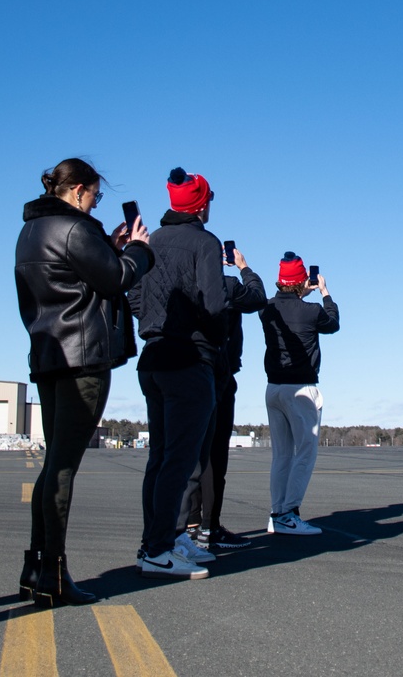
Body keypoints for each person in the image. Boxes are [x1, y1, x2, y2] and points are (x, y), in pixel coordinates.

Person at [15, 158, 153, 608]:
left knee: (52, 464)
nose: (96, 202)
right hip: (82, 360)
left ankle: (36, 567)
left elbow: (74, 278)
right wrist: (137, 250)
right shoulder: (76, 229)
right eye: (95, 194)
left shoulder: (32, 230)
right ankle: (53, 572)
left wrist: (107, 246)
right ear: (77, 191)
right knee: (63, 469)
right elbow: (116, 279)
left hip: (48, 355)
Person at [129, 168, 227, 579]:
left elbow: (134, 294)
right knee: (180, 461)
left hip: (152, 357)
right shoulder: (205, 242)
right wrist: (212, 337)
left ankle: (163, 538)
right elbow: (216, 302)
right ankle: (158, 548)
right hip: (189, 359)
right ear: (201, 204)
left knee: (160, 458)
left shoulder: (151, 241)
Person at [183, 245, 266, 551]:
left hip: (188, 369)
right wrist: (244, 266)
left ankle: (190, 524)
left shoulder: (182, 284)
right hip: (218, 373)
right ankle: (209, 526)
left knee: (190, 453)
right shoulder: (226, 286)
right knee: (214, 456)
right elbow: (257, 295)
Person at [260, 252, 339, 536]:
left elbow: (286, 305)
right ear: (302, 280)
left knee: (281, 455)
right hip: (302, 388)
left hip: (274, 387)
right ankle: (289, 513)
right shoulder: (311, 311)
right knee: (305, 452)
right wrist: (325, 292)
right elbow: (332, 323)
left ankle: (277, 512)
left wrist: (298, 291)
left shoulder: (266, 309)